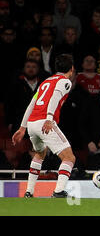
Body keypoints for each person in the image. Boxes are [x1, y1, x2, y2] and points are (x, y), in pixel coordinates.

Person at [11, 54, 77, 198]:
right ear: (71, 69)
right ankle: (59, 191)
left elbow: (32, 103)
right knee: (69, 158)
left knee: (40, 154)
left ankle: (29, 191)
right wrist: (49, 118)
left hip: (32, 123)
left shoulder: (46, 81)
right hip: (44, 122)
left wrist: (23, 127)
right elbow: (54, 98)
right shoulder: (65, 81)